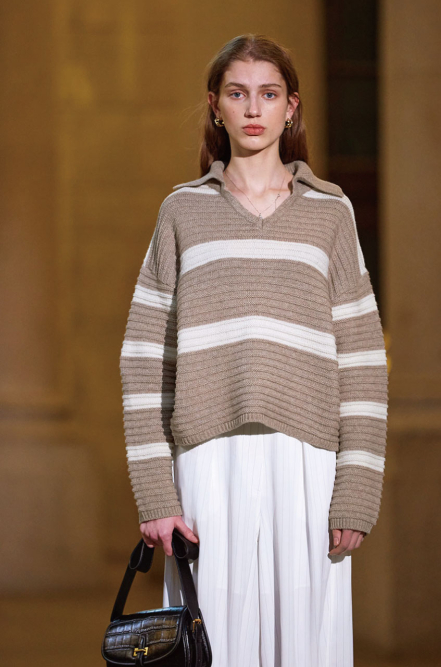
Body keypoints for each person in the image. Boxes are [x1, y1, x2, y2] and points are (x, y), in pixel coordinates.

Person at [119, 33, 388, 667]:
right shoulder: (182, 211)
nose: (252, 108)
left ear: (290, 107)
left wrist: (357, 488)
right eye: (237, 94)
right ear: (216, 105)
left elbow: (361, 358)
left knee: (307, 647)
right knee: (213, 645)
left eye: (268, 94)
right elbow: (145, 357)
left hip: (308, 463)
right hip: (206, 462)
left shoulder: (330, 213)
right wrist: (156, 494)